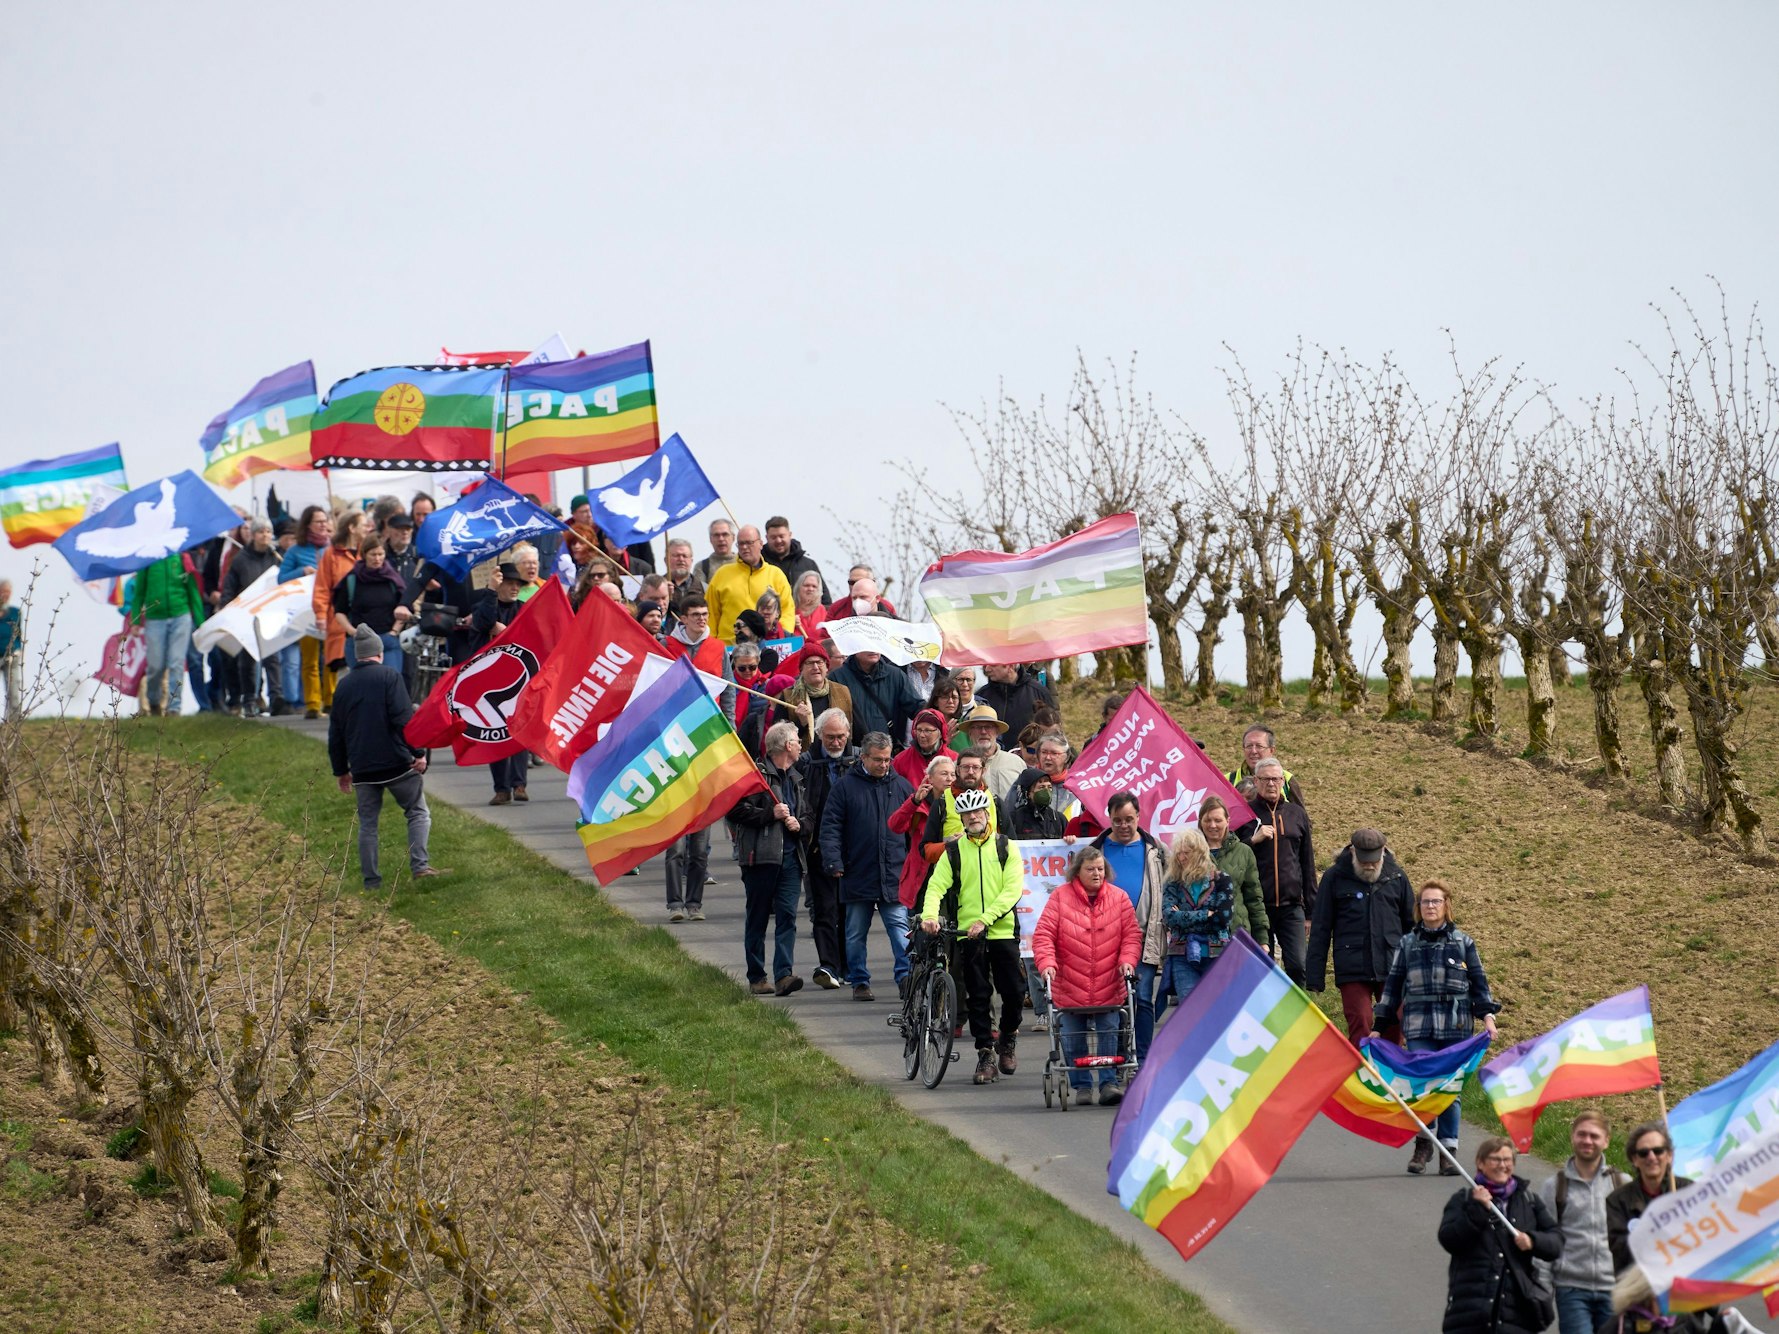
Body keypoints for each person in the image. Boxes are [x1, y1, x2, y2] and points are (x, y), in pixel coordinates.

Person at [1374, 880, 1501, 1173]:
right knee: (1424, 1088)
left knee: (1450, 1089)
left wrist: (1488, 1018)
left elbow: (1479, 984)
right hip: (1419, 1026)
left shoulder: (1463, 942)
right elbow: (1392, 988)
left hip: (1456, 1026)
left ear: (1446, 906)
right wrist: (1379, 1026)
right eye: (1425, 902)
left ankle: (1449, 1150)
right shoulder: (1407, 944)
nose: (1430, 907)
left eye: (1436, 902)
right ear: (1418, 908)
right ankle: (1423, 1145)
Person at [920, 787, 1026, 1083]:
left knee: (1015, 993)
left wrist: (986, 919)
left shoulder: (1006, 847)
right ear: (962, 819)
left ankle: (1008, 1037)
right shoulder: (953, 851)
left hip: (1001, 931)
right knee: (977, 997)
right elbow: (936, 886)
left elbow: (1012, 891)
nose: (974, 818)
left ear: (988, 814)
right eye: (968, 814)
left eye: (978, 812)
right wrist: (930, 915)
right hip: (969, 934)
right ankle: (985, 1054)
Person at [327, 624, 445, 890]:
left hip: (363, 768)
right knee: (417, 812)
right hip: (397, 764)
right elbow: (403, 719)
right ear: (379, 653)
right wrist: (418, 753)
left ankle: (372, 882)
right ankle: (420, 866)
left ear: (357, 655)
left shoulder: (343, 686)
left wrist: (341, 770)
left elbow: (336, 733)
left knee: (368, 824)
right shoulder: (390, 677)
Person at [1031, 845, 1141, 1107]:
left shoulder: (1120, 898)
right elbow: (1044, 935)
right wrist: (1047, 963)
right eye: (1090, 869)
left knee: (1109, 1033)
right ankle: (1080, 1086)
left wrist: (1127, 961)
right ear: (1077, 872)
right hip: (1070, 982)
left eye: (1101, 869)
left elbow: (1131, 936)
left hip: (1108, 982)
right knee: (1072, 1037)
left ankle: (1108, 1084)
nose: (1097, 874)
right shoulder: (1060, 897)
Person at [818, 731, 913, 1002]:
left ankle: (905, 977)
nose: (884, 765)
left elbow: (913, 831)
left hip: (893, 872)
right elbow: (831, 827)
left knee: (899, 928)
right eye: (878, 760)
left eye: (887, 760)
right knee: (855, 931)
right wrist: (833, 860)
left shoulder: (902, 786)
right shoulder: (845, 788)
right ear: (864, 757)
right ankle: (859, 980)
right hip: (857, 870)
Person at [1437, 1136, 1562, 1334]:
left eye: (1507, 1160)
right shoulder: (1463, 1200)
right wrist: (1477, 1210)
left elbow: (1556, 1242)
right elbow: (1449, 1239)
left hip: (1515, 1315)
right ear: (1480, 1162)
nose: (1502, 1165)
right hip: (1470, 1312)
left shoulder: (1528, 1201)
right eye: (1495, 1159)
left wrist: (1533, 1241)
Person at [1307, 827, 1415, 1043]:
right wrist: (1314, 977)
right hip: (1352, 966)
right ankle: (1361, 1074)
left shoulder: (1398, 877)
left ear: (1383, 852)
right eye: (1364, 860)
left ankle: (1388, 1073)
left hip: (1391, 965)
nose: (1369, 865)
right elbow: (1320, 927)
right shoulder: (1334, 877)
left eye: (1374, 860)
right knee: (1360, 1022)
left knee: (1395, 1024)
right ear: (1353, 852)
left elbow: (1411, 926)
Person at [731, 720, 811, 996]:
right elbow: (735, 812)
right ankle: (756, 976)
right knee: (759, 916)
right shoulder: (756, 776)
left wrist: (801, 825)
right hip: (760, 858)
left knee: (788, 915)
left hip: (790, 859)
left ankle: (784, 975)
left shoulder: (796, 779)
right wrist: (770, 815)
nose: (801, 745)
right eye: (798, 741)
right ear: (788, 746)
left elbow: (808, 815)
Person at [1536, 1111, 1627, 1334]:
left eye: (1594, 1136)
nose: (1587, 1141)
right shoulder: (1555, 1186)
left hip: (1614, 1289)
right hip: (1571, 1289)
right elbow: (1544, 1241)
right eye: (1582, 1134)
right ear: (1572, 1137)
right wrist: (1542, 1288)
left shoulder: (1621, 1183)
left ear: (1606, 1141)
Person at [1091, 792, 1166, 1062]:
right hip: (1105, 937)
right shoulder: (1096, 849)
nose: (1124, 826)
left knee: (1143, 997)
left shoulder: (1155, 850)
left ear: (1139, 817)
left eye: (1129, 820)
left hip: (1144, 935)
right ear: (1109, 818)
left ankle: (1143, 1058)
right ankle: (1120, 1055)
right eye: (1118, 820)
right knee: (1115, 1001)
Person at [1235, 757, 1317, 985]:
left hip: (1292, 906)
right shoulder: (1245, 815)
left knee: (1298, 965)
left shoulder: (1296, 814)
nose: (1271, 784)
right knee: (1263, 968)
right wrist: (1254, 840)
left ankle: (1297, 1015)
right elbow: (1234, 857)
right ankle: (1267, 1016)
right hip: (1258, 906)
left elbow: (1307, 862)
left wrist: (1310, 910)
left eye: (1276, 779)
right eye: (1265, 779)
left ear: (1283, 781)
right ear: (1255, 780)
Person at [796, 707, 856, 989]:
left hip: (854, 849)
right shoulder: (807, 763)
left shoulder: (858, 760)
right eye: (830, 737)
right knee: (825, 910)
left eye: (840, 737)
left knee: (849, 911)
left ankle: (848, 965)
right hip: (818, 848)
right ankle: (829, 965)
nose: (835, 743)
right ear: (818, 735)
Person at [470, 563, 529, 806]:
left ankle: (519, 783)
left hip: (520, 678)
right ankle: (501, 788)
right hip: (490, 682)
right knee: (494, 732)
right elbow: (483, 621)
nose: (515, 587)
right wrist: (491, 592)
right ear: (499, 584)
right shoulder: (484, 606)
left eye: (518, 584)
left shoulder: (524, 609)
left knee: (520, 731)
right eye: (510, 583)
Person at [1159, 828, 1235, 1005]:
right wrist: (1205, 915)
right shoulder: (1173, 883)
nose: (1182, 858)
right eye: (1178, 854)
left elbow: (1223, 918)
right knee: (1190, 1008)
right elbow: (1169, 917)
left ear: (1200, 853)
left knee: (1217, 1007)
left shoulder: (1221, 879)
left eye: (1187, 853)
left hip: (1216, 954)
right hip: (1182, 955)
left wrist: (1183, 916)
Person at [1607, 1123, 1692, 1276]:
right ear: (1635, 1159)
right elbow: (1621, 1252)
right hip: (1641, 1289)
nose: (1651, 1157)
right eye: (1643, 1153)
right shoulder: (1617, 1201)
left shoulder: (1690, 1191)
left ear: (1669, 1156)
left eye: (1658, 1151)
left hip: (1688, 1287)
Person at [128, 551, 204, 717]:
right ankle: (154, 701)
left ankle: (174, 708)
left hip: (181, 616)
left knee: (176, 662)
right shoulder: (147, 560)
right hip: (155, 619)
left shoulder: (183, 557)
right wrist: (135, 621)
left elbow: (192, 590)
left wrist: (200, 622)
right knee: (155, 666)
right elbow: (139, 592)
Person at [219, 518, 280, 715]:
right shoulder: (240, 559)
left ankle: (277, 698)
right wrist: (227, 610)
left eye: (268, 532)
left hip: (271, 614)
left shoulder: (276, 557)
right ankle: (249, 700)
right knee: (248, 661)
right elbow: (229, 588)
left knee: (273, 658)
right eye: (261, 532)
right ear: (253, 535)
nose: (265, 535)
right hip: (247, 615)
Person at [331, 534, 413, 675]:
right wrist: (352, 631)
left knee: (390, 683)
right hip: (359, 642)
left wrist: (394, 631)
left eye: (380, 554)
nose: (377, 559)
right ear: (364, 555)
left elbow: (405, 606)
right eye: (373, 554)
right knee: (362, 687)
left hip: (388, 640)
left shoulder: (393, 579)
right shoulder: (352, 579)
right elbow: (339, 610)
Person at [278, 505, 329, 718]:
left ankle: (331, 701)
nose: (323, 525)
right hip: (305, 611)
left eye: (325, 521)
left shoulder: (332, 549)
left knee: (331, 658)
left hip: (329, 609)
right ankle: (313, 704)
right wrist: (302, 571)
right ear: (308, 525)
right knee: (309, 659)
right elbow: (281, 579)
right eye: (319, 521)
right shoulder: (295, 551)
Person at [1200, 796, 1269, 950]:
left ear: (1227, 821)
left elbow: (1254, 898)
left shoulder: (1244, 852)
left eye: (1218, 820)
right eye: (1207, 820)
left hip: (1237, 936)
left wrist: (1262, 939)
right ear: (1200, 822)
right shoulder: (1191, 852)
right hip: (1202, 939)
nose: (1212, 825)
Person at [888, 753, 953, 915]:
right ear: (929, 778)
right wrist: (914, 801)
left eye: (953, 774)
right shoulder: (919, 802)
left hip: (952, 871)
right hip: (923, 875)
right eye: (944, 774)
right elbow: (895, 825)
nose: (950, 778)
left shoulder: (962, 803)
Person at [707, 526, 794, 643]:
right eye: (740, 544)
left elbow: (787, 611)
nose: (744, 547)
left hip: (767, 647)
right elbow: (711, 615)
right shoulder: (722, 574)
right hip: (729, 649)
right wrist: (710, 645)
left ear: (761, 544)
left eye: (749, 543)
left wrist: (780, 641)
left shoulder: (776, 575)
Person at [313, 509, 365, 687]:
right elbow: (322, 587)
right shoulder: (331, 554)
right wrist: (320, 615)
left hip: (363, 619)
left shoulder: (366, 552)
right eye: (363, 525)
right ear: (351, 528)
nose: (367, 528)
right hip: (339, 621)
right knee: (344, 671)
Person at [831, 649, 925, 745]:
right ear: (855, 647)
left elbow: (917, 708)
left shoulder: (895, 675)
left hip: (887, 751)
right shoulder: (836, 678)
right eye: (867, 645)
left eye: (876, 645)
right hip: (852, 750)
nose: (873, 649)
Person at [772, 645, 852, 748]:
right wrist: (800, 724)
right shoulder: (789, 696)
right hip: (804, 760)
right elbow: (777, 740)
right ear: (801, 669)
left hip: (839, 756)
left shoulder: (842, 691)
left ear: (827, 667)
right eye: (809, 663)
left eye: (819, 662)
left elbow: (854, 728)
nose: (815, 667)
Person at [1226, 724, 1308, 808]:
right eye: (1249, 746)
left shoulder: (1287, 780)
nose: (1253, 751)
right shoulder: (1227, 780)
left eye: (1259, 746)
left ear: (1271, 750)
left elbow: (1300, 817)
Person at [977, 663, 1056, 742]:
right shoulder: (981, 696)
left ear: (1010, 665)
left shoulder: (1039, 692)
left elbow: (1052, 731)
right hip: (991, 753)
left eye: (993, 665)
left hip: (1028, 752)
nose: (987, 669)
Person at [959, 706, 1023, 799]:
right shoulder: (959, 765)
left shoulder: (1016, 763)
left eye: (988, 727)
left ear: (997, 731)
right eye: (978, 727)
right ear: (970, 732)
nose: (983, 732)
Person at [761, 515, 829, 603]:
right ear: (767, 538)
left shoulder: (808, 565)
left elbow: (825, 598)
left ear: (789, 535)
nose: (778, 540)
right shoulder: (760, 563)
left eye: (781, 536)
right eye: (773, 537)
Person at [893, 707, 954, 789]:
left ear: (940, 733)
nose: (922, 735)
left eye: (928, 731)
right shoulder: (900, 760)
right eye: (919, 730)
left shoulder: (954, 759)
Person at [1008, 766, 1069, 840]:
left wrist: (1070, 839)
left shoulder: (1059, 819)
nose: (1047, 791)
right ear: (1028, 793)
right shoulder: (1015, 819)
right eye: (1041, 787)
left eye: (1049, 787)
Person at [823, 568, 898, 621]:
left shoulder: (888, 608)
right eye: (851, 582)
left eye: (863, 597)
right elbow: (823, 638)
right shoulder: (836, 608)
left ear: (877, 598)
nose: (856, 585)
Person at [0, 580, 23, 720]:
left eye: (8, 592)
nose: (5, 595)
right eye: (3, 591)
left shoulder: (15, 612)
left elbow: (19, 633)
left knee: (13, 688)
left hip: (11, 655)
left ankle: (14, 720)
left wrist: (18, 650)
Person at [694, 517, 737, 585]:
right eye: (716, 535)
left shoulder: (744, 562)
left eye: (725, 534)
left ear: (733, 537)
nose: (721, 539)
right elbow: (698, 593)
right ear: (710, 539)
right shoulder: (702, 567)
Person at [791, 570, 827, 644]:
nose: (810, 589)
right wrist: (790, 621)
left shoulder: (822, 611)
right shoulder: (790, 610)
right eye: (806, 585)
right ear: (798, 588)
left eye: (814, 586)